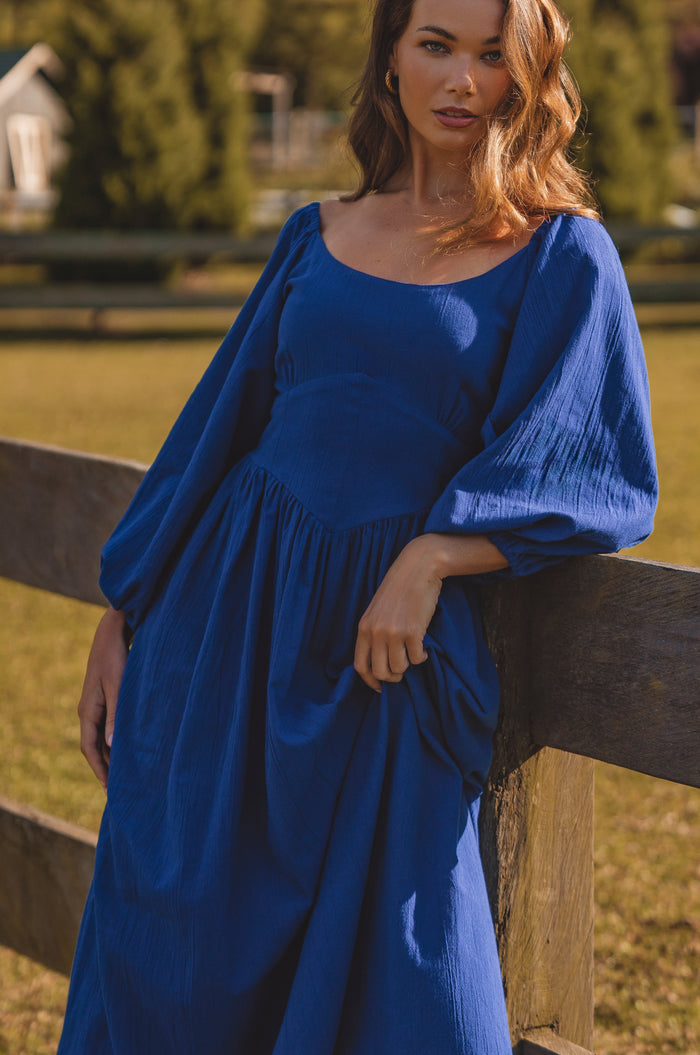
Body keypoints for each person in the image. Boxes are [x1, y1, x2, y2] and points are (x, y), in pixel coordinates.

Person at [58, 0, 658, 1052]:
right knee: (183, 954)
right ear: (390, 59)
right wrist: (126, 608)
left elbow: (595, 464)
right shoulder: (315, 233)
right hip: (225, 637)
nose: (462, 79)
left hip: (388, 665)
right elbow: (215, 431)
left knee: (420, 986)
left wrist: (435, 555)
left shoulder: (561, 254)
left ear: (528, 74)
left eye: (492, 55)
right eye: (435, 46)